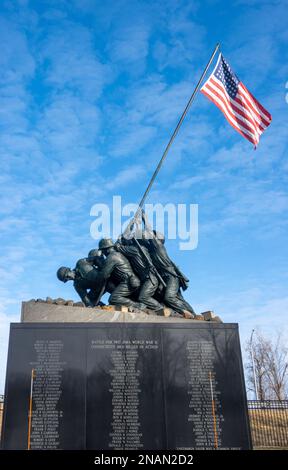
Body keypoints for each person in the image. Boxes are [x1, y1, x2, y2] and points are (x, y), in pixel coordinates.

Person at [141, 226, 196, 318]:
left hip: (171, 276)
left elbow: (149, 233)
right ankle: (192, 313)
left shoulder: (158, 247)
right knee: (177, 298)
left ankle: (188, 313)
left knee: (169, 297)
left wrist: (144, 218)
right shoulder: (152, 251)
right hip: (164, 277)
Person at [115, 235, 163, 311]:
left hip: (150, 278)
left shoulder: (134, 249)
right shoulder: (143, 249)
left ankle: (161, 309)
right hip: (147, 278)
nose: (126, 242)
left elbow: (118, 248)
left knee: (143, 297)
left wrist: (119, 239)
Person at [97, 238, 144, 309]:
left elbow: (104, 275)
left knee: (113, 299)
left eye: (103, 251)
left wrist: (99, 263)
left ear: (106, 249)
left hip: (129, 281)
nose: (103, 254)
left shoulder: (111, 257)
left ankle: (138, 306)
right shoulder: (117, 254)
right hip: (129, 280)